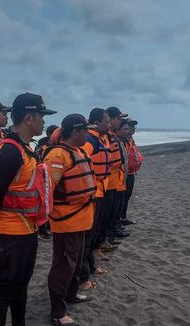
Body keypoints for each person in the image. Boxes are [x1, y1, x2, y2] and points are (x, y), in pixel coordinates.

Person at [0, 92, 56, 326]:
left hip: (26, 232)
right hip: (7, 236)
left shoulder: (26, 149)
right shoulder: (10, 152)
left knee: (21, 288)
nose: (43, 122)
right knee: (3, 293)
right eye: (41, 117)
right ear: (28, 118)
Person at [44, 114, 96, 326]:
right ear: (75, 132)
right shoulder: (57, 156)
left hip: (82, 219)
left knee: (75, 263)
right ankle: (57, 311)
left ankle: (71, 294)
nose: (88, 134)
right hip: (66, 221)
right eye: (85, 130)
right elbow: (47, 191)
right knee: (63, 266)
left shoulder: (79, 151)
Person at [79, 108, 112, 289]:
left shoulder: (97, 138)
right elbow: (80, 164)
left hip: (100, 190)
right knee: (87, 236)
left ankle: (90, 267)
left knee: (91, 236)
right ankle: (84, 275)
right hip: (93, 193)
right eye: (106, 121)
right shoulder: (90, 141)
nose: (108, 125)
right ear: (97, 123)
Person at [105, 107, 130, 243]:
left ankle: (108, 235)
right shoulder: (106, 138)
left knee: (114, 210)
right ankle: (105, 238)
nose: (120, 121)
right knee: (106, 214)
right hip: (107, 185)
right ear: (112, 119)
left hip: (116, 182)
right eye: (118, 118)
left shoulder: (112, 137)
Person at [35, 124, 59, 241]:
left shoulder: (54, 146)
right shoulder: (43, 147)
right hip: (43, 177)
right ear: (50, 134)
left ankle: (47, 227)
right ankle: (42, 229)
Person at [121, 118, 143, 225]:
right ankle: (119, 219)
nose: (133, 128)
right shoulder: (121, 140)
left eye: (133, 126)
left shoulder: (130, 139)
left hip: (130, 172)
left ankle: (123, 218)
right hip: (123, 174)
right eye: (130, 126)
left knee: (127, 196)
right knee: (122, 197)